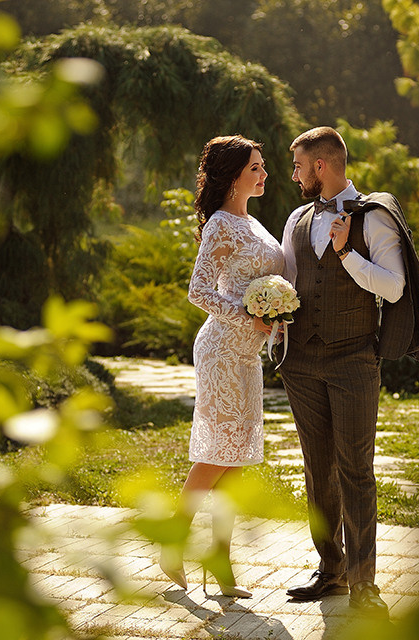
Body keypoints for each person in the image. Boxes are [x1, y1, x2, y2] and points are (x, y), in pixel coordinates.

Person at [278, 126, 419, 617]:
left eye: (299, 165)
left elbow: (392, 288)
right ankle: (332, 570)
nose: (294, 174)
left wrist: (348, 254)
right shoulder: (297, 219)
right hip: (301, 362)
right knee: (317, 471)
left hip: (353, 362)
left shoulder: (373, 218)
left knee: (356, 471)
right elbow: (290, 284)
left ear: (321, 166)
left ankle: (365, 583)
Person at [159, 134, 283, 598]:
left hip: (246, 353)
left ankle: (220, 561)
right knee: (215, 456)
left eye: (263, 166)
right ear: (234, 176)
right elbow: (199, 291)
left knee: (236, 462)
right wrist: (248, 313)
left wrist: (271, 319)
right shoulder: (219, 226)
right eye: (255, 168)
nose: (264, 174)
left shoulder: (254, 223)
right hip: (220, 350)